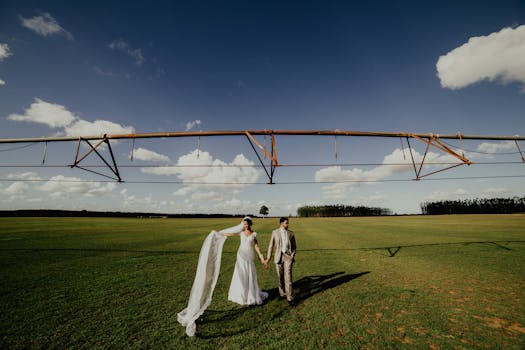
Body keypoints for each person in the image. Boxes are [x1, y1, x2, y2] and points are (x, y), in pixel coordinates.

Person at [221, 217, 269, 305]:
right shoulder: (241, 233)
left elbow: (256, 246)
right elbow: (231, 234)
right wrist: (220, 233)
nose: (245, 225)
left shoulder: (254, 234)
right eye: (244, 224)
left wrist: (261, 257)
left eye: (246, 224)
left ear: (249, 224)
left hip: (249, 256)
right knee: (241, 274)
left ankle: (250, 294)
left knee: (249, 273)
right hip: (241, 256)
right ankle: (241, 294)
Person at [264, 217, 296, 303]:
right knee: (280, 277)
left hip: (288, 257)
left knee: (288, 277)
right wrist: (268, 258)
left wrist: (292, 255)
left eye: (288, 223)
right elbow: (270, 246)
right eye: (286, 223)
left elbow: (294, 246)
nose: (288, 224)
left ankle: (289, 297)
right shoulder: (274, 233)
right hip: (278, 257)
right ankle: (282, 293)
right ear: (281, 223)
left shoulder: (291, 233)